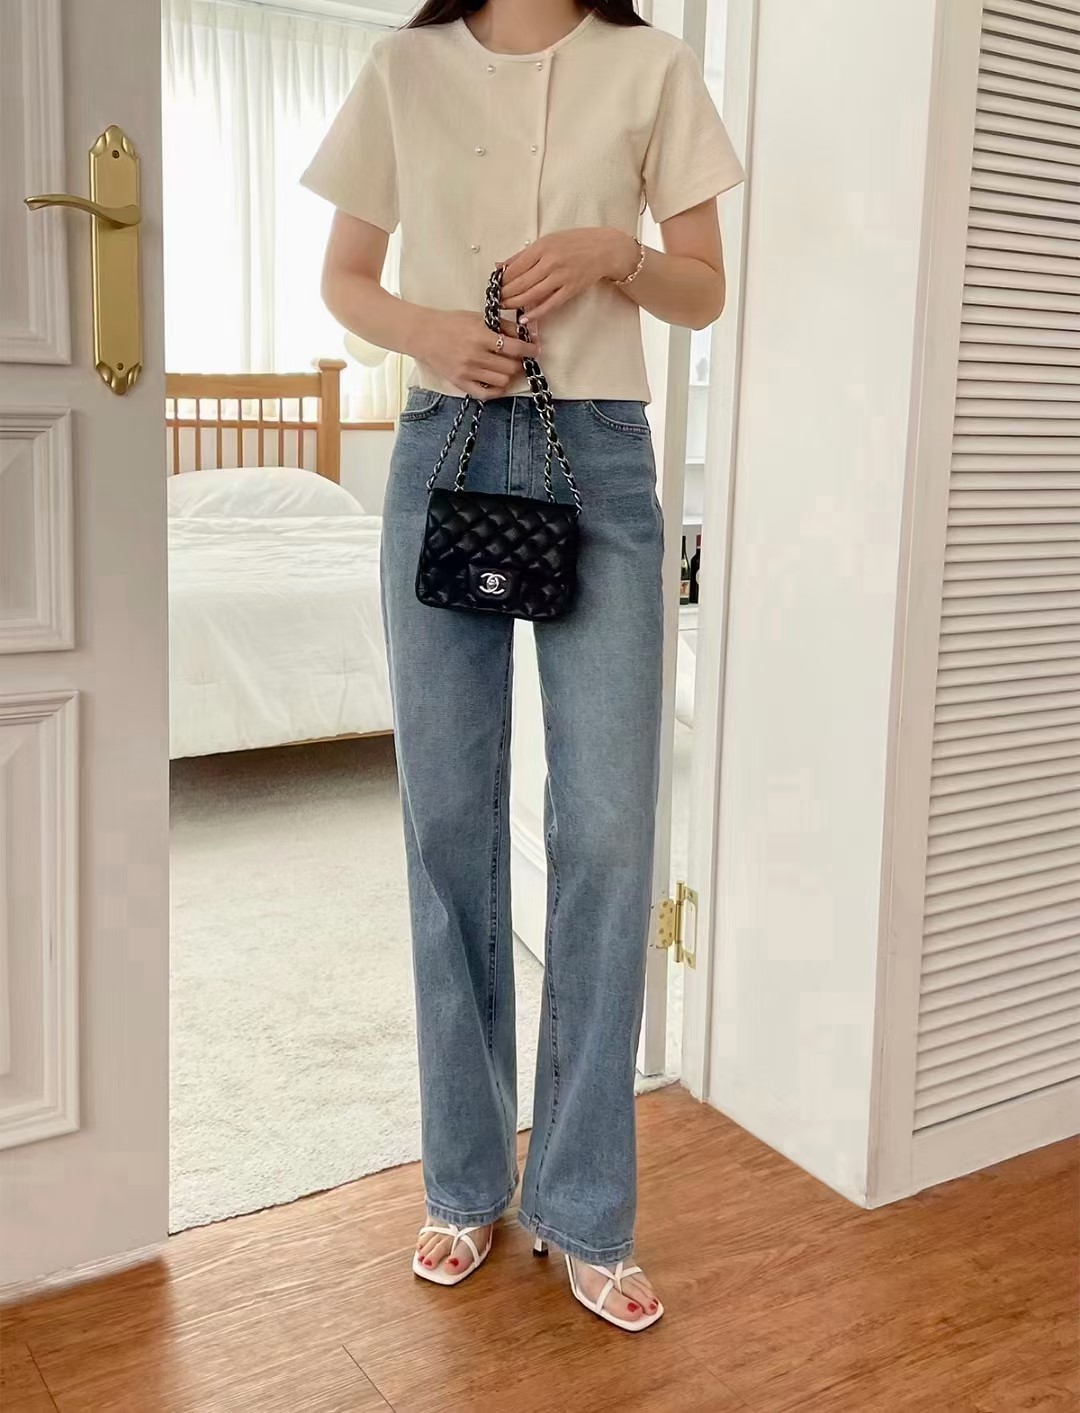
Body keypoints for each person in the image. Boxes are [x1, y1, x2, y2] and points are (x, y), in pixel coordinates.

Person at [302, 0, 743, 1333]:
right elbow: (345, 277)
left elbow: (705, 287)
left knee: (608, 827)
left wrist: (620, 253)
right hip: (442, 436)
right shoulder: (403, 66)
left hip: (599, 454)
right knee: (446, 826)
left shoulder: (652, 67)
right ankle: (465, 1179)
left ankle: (587, 1204)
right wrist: (427, 334)